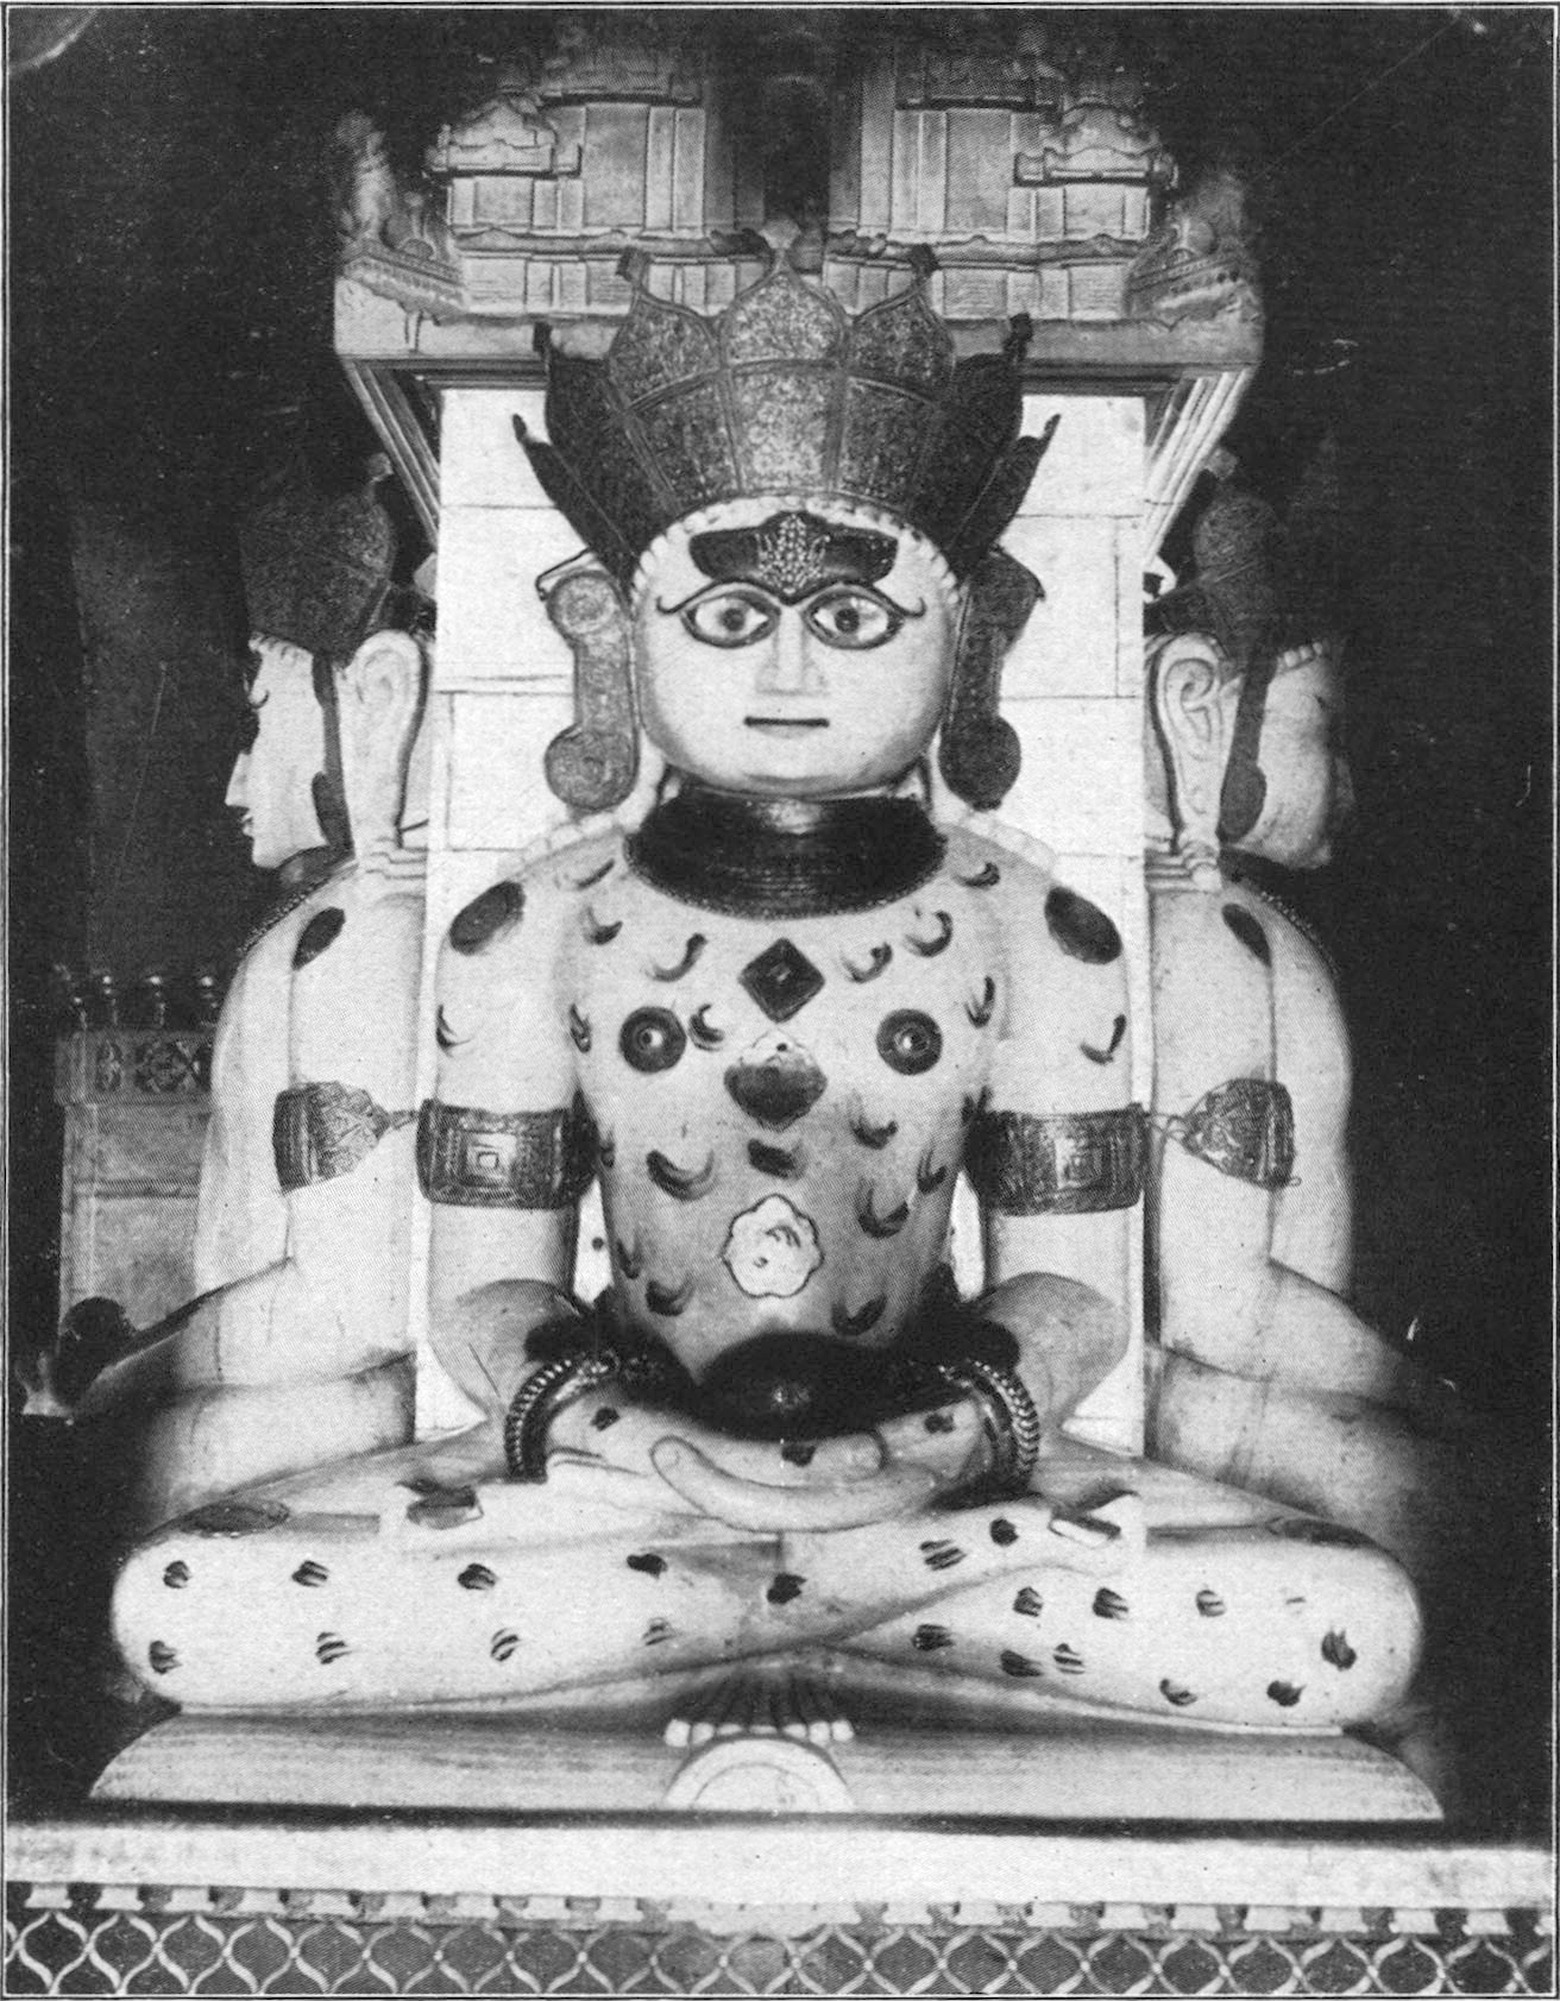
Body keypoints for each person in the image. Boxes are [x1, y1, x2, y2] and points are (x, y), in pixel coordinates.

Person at [108, 255, 1421, 1736]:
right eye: (731, 617)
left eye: (853, 619)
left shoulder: (1042, 932)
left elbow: (1073, 1295)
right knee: (187, 1606)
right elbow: (484, 1290)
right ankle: (827, 1615)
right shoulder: (529, 928)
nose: (789, 665)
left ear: (969, 636)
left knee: (1345, 1621)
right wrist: (644, 1444)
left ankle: (724, 1618)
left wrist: (920, 1450)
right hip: (614, 1477)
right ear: (619, 632)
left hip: (936, 1477)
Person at [31, 628, 430, 1532]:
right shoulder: (328, 922)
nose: (237, 786)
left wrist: (122, 1379)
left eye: (258, 727)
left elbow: (352, 1307)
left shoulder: (371, 933)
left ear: (382, 697)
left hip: (337, 1408)